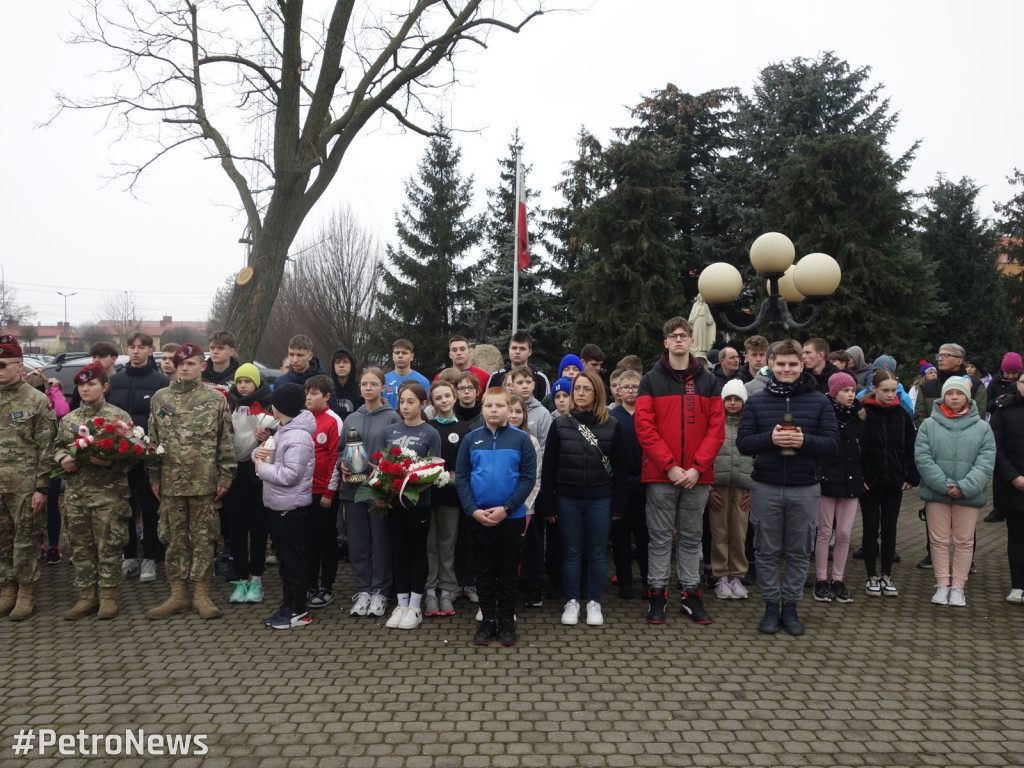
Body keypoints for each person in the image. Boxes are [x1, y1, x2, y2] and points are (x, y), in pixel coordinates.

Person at [737, 338, 839, 636]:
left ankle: (791, 607)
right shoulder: (756, 400)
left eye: (792, 363)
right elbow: (743, 443)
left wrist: (804, 441)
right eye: (780, 363)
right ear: (770, 365)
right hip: (766, 485)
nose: (786, 368)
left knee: (798, 550)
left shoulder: (819, 401)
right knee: (765, 551)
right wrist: (770, 438)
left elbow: (832, 445)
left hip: (804, 486)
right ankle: (771, 606)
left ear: (802, 364)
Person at [635, 318, 725, 626]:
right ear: (665, 342)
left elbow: (716, 429)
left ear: (690, 341)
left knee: (691, 538)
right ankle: (657, 594)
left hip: (697, 476)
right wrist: (671, 466)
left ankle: (691, 594)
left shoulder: (709, 381)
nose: (678, 340)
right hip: (662, 475)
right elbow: (644, 428)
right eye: (673, 335)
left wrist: (697, 468)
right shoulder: (650, 380)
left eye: (683, 335)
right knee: (659, 539)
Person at [145, 343, 237, 621]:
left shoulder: (216, 398)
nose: (184, 368)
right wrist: (153, 476)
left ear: (202, 367)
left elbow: (225, 440)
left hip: (204, 482)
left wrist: (226, 475)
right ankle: (177, 594)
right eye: (180, 363)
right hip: (170, 482)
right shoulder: (160, 398)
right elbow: (152, 439)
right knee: (173, 539)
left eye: (190, 363)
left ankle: (201, 594)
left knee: (203, 539)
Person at [538, 370, 627, 627]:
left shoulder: (612, 425)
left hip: (601, 498)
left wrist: (618, 505)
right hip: (567, 498)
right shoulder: (560, 423)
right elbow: (549, 467)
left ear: (597, 392)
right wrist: (549, 502)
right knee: (571, 553)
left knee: (598, 553)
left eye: (586, 389)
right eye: (577, 388)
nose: (580, 393)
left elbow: (621, 470)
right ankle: (572, 601)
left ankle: (594, 602)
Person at [457, 387, 537, 646]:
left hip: (510, 519)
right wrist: (473, 510)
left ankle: (506, 620)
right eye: (489, 406)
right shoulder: (471, 439)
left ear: (509, 409)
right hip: (478, 518)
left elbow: (527, 479)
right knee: (483, 570)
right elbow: (462, 477)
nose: (494, 410)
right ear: (482, 408)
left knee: (507, 571)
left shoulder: (521, 439)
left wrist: (507, 509)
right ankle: (488, 619)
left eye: (499, 406)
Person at [54, 362, 133, 620]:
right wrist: (62, 458)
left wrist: (110, 461)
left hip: (108, 495)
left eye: (91, 384)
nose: (85, 389)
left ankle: (108, 597)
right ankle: (86, 597)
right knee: (80, 547)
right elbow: (55, 447)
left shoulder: (119, 418)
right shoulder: (69, 419)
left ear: (105, 386)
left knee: (109, 545)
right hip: (76, 495)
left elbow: (134, 455)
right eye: (81, 385)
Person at [915, 376, 995, 607]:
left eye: (959, 394)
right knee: (938, 540)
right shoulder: (929, 425)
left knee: (964, 541)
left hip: (968, 495)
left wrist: (964, 487)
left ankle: (958, 586)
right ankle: (942, 584)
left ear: (967, 397)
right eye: (950, 393)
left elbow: (986, 461)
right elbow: (923, 457)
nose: (954, 397)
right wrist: (943, 485)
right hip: (937, 493)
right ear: (944, 396)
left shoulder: (983, 428)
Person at [913, 342, 987, 570]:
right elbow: (920, 417)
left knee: (965, 505)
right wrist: (942, 431)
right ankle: (931, 553)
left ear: (960, 360)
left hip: (966, 455)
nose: (940, 359)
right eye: (939, 355)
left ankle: (967, 556)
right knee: (934, 507)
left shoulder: (975, 387)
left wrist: (951, 429)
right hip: (936, 455)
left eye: (946, 355)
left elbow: (978, 418)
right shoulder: (929, 386)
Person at [0, 335, 56, 621]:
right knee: (2, 542)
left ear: (20, 365)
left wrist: (41, 488)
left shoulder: (36, 401)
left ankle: (25, 593)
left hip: (23, 487)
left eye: (3, 364)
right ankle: (6, 589)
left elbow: (47, 448)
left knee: (25, 542)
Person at [106, 330, 168, 585]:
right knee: (125, 507)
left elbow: (165, 417)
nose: (135, 351)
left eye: (141, 346)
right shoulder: (116, 381)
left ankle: (150, 558)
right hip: (120, 457)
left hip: (147, 457)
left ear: (150, 351)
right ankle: (129, 555)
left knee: (150, 508)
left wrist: (153, 441)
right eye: (131, 346)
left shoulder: (161, 381)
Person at [380, 381, 443, 631]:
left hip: (418, 504)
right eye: (401, 401)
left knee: (417, 551)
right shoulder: (390, 431)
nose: (404, 407)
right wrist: (386, 488)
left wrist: (412, 486)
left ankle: (416, 605)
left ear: (423, 404)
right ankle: (401, 602)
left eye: (410, 402)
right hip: (393, 503)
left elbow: (436, 469)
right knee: (399, 551)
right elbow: (383, 464)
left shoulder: (431, 433)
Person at [339, 367, 401, 618]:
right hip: (352, 490)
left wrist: (384, 478)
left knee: (381, 542)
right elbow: (342, 449)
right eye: (364, 384)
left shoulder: (393, 418)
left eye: (373, 384)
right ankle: (363, 590)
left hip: (379, 491)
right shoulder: (351, 418)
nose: (367, 388)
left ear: (383, 387)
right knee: (358, 543)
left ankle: (380, 591)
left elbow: (397, 454)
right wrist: (340, 463)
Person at [254, 383, 317, 629]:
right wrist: (257, 456)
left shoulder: (298, 436)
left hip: (291, 507)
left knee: (293, 561)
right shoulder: (283, 430)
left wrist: (261, 469)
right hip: (278, 504)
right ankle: (288, 604)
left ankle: (300, 610)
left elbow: (290, 475)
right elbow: (269, 455)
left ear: (279, 407)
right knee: (285, 560)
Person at [859, 369, 919, 597]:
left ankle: (886, 574)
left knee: (890, 529)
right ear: (874, 389)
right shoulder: (864, 413)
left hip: (894, 481)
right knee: (870, 529)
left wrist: (910, 475)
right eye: (885, 390)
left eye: (893, 390)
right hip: (870, 481)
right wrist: (860, 476)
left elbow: (911, 446)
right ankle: (871, 575)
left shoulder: (901, 414)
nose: (889, 394)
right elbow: (858, 447)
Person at [812, 372, 865, 604]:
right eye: (845, 391)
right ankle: (821, 579)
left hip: (851, 481)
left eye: (853, 390)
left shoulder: (860, 418)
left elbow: (866, 450)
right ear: (834, 393)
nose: (850, 395)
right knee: (824, 532)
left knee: (843, 533)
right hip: (827, 480)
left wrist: (863, 475)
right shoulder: (824, 415)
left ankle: (838, 580)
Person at [224, 363, 273, 604]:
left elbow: (278, 434)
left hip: (258, 474)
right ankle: (241, 579)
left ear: (256, 383)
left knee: (259, 527)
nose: (243, 386)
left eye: (247, 381)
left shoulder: (267, 407)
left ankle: (257, 578)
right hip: (234, 473)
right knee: (237, 528)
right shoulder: (229, 405)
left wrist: (267, 435)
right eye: (239, 381)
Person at [424, 380, 470, 617]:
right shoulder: (427, 428)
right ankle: (430, 590)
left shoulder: (464, 429)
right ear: (432, 402)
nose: (443, 401)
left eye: (447, 396)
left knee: (448, 544)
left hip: (452, 498)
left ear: (454, 398)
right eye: (438, 398)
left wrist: (455, 478)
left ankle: (447, 590)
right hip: (427, 496)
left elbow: (468, 466)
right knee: (430, 544)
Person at [511, 365, 552, 607]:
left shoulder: (543, 415)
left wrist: (532, 495)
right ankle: (513, 584)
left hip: (532, 496)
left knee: (535, 543)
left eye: (528, 381)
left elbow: (544, 453)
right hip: (506, 499)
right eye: (520, 381)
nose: (524, 385)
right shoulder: (502, 418)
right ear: (512, 384)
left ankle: (535, 585)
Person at [709, 379, 753, 600]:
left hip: (743, 489)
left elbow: (758, 458)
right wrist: (708, 489)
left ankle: (736, 575)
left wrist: (754, 490)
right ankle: (720, 576)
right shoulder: (715, 424)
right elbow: (706, 455)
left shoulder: (749, 425)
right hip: (719, 487)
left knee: (739, 533)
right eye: (729, 399)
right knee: (720, 533)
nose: (733, 403)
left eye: (737, 399)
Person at [303, 374, 343, 609]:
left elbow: (336, 458)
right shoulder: (301, 418)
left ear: (327, 397)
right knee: (308, 540)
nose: (309, 396)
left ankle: (326, 586)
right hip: (303, 492)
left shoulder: (333, 421)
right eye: (307, 392)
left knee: (326, 540)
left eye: (314, 393)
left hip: (324, 492)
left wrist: (329, 492)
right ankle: (309, 583)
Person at [608, 369, 648, 599]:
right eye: (627, 387)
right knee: (620, 537)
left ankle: (646, 581)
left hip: (645, 484)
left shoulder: (648, 414)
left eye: (636, 387)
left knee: (644, 537)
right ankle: (624, 581)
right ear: (618, 390)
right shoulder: (613, 417)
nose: (632, 391)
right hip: (620, 486)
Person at [989, 374, 1024, 604]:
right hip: (1013, 486)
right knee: (1017, 536)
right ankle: (1018, 586)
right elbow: (995, 447)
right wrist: (1014, 476)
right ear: (1018, 384)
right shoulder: (1003, 409)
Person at [985, 352, 1022, 524]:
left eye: (1015, 374)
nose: (1011, 377)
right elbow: (987, 404)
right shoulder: (995, 383)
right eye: (1008, 373)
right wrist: (998, 401)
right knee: (1000, 468)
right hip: (1000, 424)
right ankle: (998, 508)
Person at [486, 331, 551, 401]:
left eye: (522, 349)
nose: (517, 352)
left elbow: (545, 408)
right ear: (509, 350)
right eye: (514, 348)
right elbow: (487, 404)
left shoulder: (540, 379)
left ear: (530, 352)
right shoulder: (496, 377)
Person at [383, 338, 430, 409]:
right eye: (397, 353)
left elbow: (425, 408)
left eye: (404, 353)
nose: (400, 356)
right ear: (392, 356)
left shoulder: (423, 381)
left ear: (412, 356)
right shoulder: (383, 380)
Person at [329, 347, 362, 420]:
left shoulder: (359, 390)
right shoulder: (328, 389)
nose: (341, 365)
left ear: (351, 365)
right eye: (337, 362)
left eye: (345, 362)